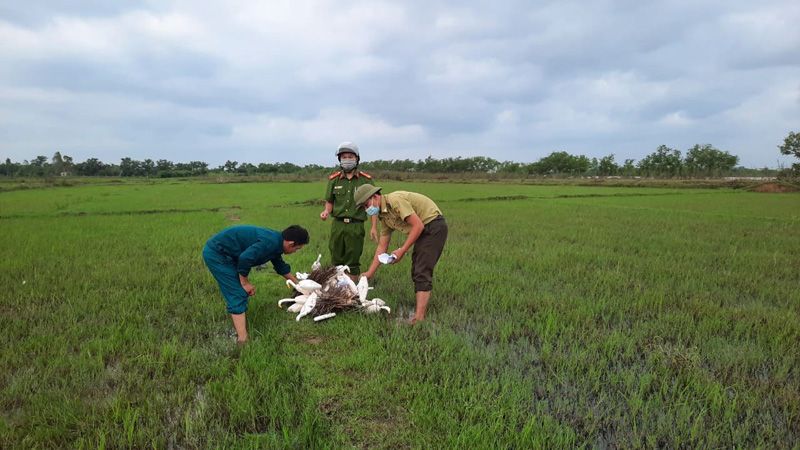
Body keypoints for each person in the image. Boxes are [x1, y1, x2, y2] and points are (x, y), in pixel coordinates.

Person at [354, 185, 448, 324]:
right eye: (363, 207)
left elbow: (418, 226)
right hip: (423, 228)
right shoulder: (383, 216)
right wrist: (370, 273)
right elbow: (382, 247)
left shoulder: (395, 201)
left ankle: (419, 317)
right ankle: (419, 313)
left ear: (374, 197)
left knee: (421, 269)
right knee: (417, 268)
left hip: (433, 225)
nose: (366, 209)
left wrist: (402, 250)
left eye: (366, 205)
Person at [203, 224, 308, 343]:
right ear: (290, 243)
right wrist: (244, 283)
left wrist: (299, 286)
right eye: (297, 248)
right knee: (237, 293)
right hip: (217, 254)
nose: (295, 252)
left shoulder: (276, 241)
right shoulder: (270, 243)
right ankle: (242, 340)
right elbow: (245, 258)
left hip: (229, 254)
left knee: (238, 291)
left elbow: (280, 266)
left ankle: (240, 328)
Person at [319, 142, 378, 278]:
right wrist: (326, 212)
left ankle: (350, 294)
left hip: (356, 225)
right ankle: (337, 291)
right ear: (340, 160)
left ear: (357, 158)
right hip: (338, 225)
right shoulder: (334, 180)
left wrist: (374, 227)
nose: (347, 160)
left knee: (352, 261)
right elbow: (330, 202)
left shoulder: (365, 180)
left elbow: (373, 205)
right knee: (336, 258)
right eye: (344, 157)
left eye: (350, 156)